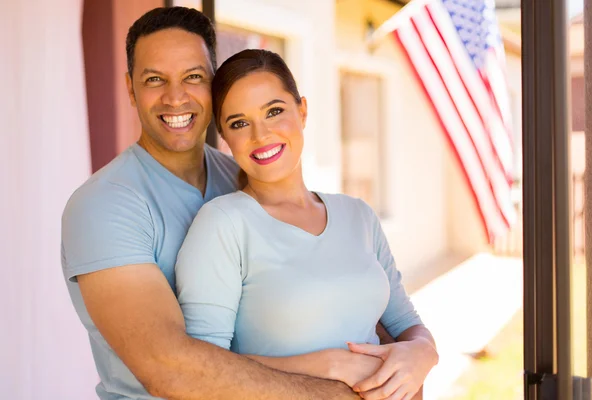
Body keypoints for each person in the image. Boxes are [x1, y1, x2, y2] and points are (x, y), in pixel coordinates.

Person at [61, 6, 408, 400]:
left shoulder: (244, 176)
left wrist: (409, 356)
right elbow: (170, 370)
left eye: (193, 77)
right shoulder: (105, 206)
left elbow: (339, 291)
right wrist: (341, 387)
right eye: (154, 80)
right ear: (130, 89)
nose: (175, 97)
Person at [175, 49, 439, 400]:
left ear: (302, 110)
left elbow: (406, 324)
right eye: (239, 123)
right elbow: (202, 372)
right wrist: (328, 365)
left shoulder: (357, 215)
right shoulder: (223, 223)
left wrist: (423, 353)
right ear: (224, 135)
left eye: (274, 111)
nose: (261, 134)